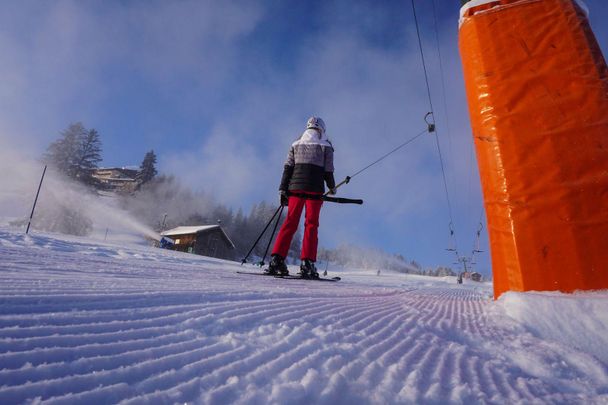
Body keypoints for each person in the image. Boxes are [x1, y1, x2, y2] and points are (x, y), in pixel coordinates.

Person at [266, 117, 336, 278]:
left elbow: (288, 168)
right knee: (311, 225)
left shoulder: (295, 144)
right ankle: (307, 263)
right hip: (314, 190)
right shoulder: (326, 146)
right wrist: (331, 187)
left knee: (290, 223)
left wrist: (283, 190)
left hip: (294, 189)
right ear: (322, 130)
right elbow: (328, 171)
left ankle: (277, 259)